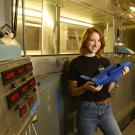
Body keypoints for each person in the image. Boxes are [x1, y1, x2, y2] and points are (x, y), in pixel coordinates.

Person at [68, 27, 129, 135]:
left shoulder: (104, 61)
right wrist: (84, 87)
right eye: (92, 40)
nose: (96, 44)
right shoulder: (75, 63)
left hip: (106, 109)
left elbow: (108, 89)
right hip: (87, 111)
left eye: (99, 40)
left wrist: (118, 75)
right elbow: (73, 92)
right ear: (85, 41)